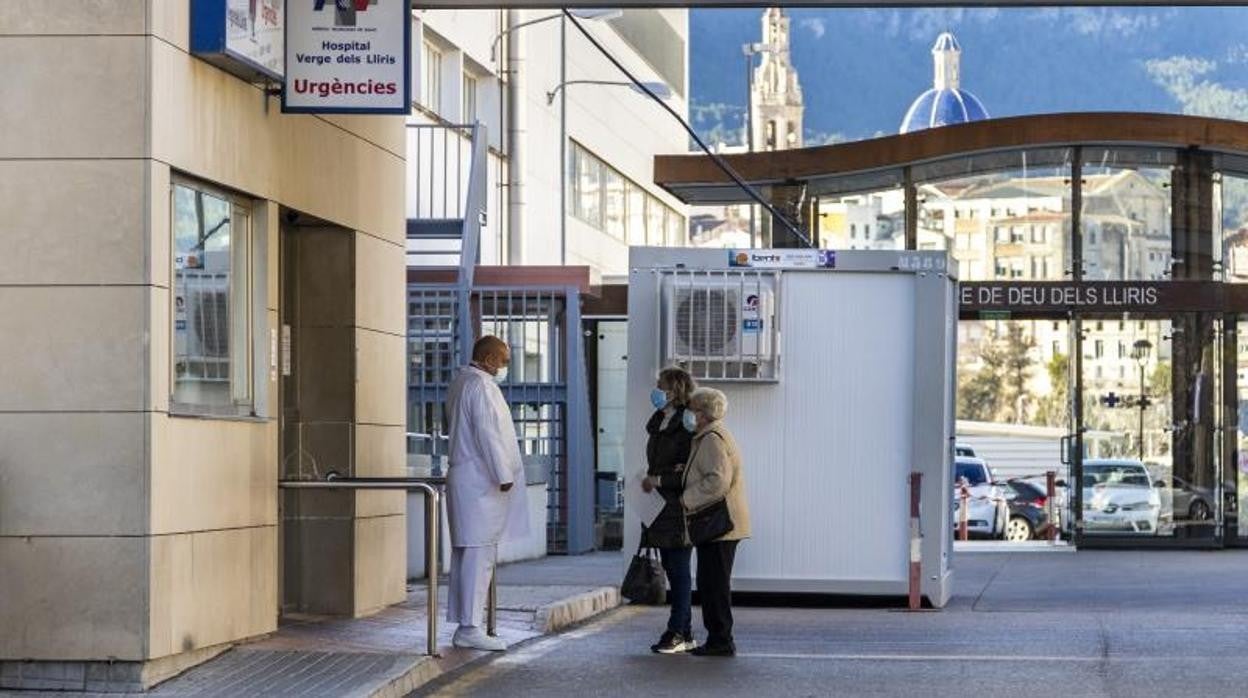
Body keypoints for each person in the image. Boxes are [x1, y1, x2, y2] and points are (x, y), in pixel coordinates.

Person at [445, 335, 530, 651]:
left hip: (468, 479)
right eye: (504, 361)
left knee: (469, 554)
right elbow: (487, 433)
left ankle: (467, 622)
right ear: (490, 358)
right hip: (481, 483)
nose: (506, 367)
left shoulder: (462, 382)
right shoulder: (480, 387)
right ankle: (470, 627)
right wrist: (503, 474)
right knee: (479, 555)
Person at [681, 387, 750, 657]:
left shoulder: (712, 438)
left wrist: (687, 498)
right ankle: (718, 638)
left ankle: (721, 640)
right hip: (721, 522)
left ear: (702, 413)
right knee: (712, 582)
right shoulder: (711, 435)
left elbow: (717, 480)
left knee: (714, 584)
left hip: (721, 523)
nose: (689, 415)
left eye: (693, 409)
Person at [639, 368, 697, 654]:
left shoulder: (686, 422)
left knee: (679, 570)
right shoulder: (660, 421)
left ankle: (676, 631)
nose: (656, 390)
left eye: (660, 385)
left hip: (676, 506)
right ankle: (684, 632)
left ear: (674, 390)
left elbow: (689, 470)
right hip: (658, 506)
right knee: (674, 571)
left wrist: (661, 478)